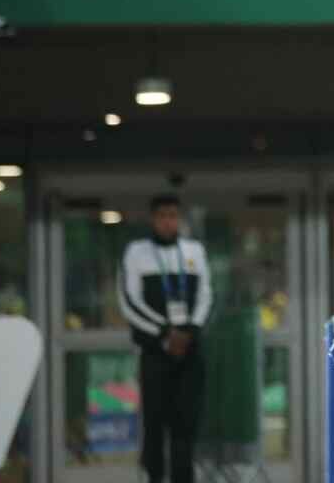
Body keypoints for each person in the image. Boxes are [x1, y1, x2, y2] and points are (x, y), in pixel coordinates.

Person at [117, 195, 212, 483]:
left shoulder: (194, 250)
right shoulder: (137, 252)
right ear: (153, 219)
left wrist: (190, 330)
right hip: (156, 351)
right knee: (155, 425)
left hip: (189, 350)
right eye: (162, 216)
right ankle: (154, 477)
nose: (168, 221)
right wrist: (164, 332)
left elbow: (207, 294)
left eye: (173, 215)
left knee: (186, 425)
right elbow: (128, 301)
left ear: (179, 218)